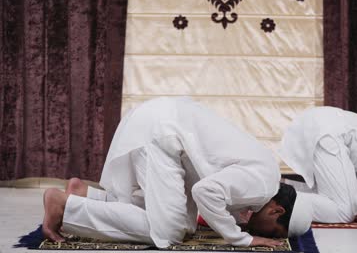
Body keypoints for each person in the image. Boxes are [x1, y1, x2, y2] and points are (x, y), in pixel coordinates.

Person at [42, 97, 310, 248]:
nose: (268, 237)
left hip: (159, 125)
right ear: (277, 211)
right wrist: (242, 238)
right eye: (274, 232)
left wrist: (235, 223)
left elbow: (212, 190)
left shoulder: (265, 177)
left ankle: (86, 196)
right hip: (162, 134)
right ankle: (65, 207)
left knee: (184, 224)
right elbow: (205, 191)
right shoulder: (262, 185)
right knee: (168, 233)